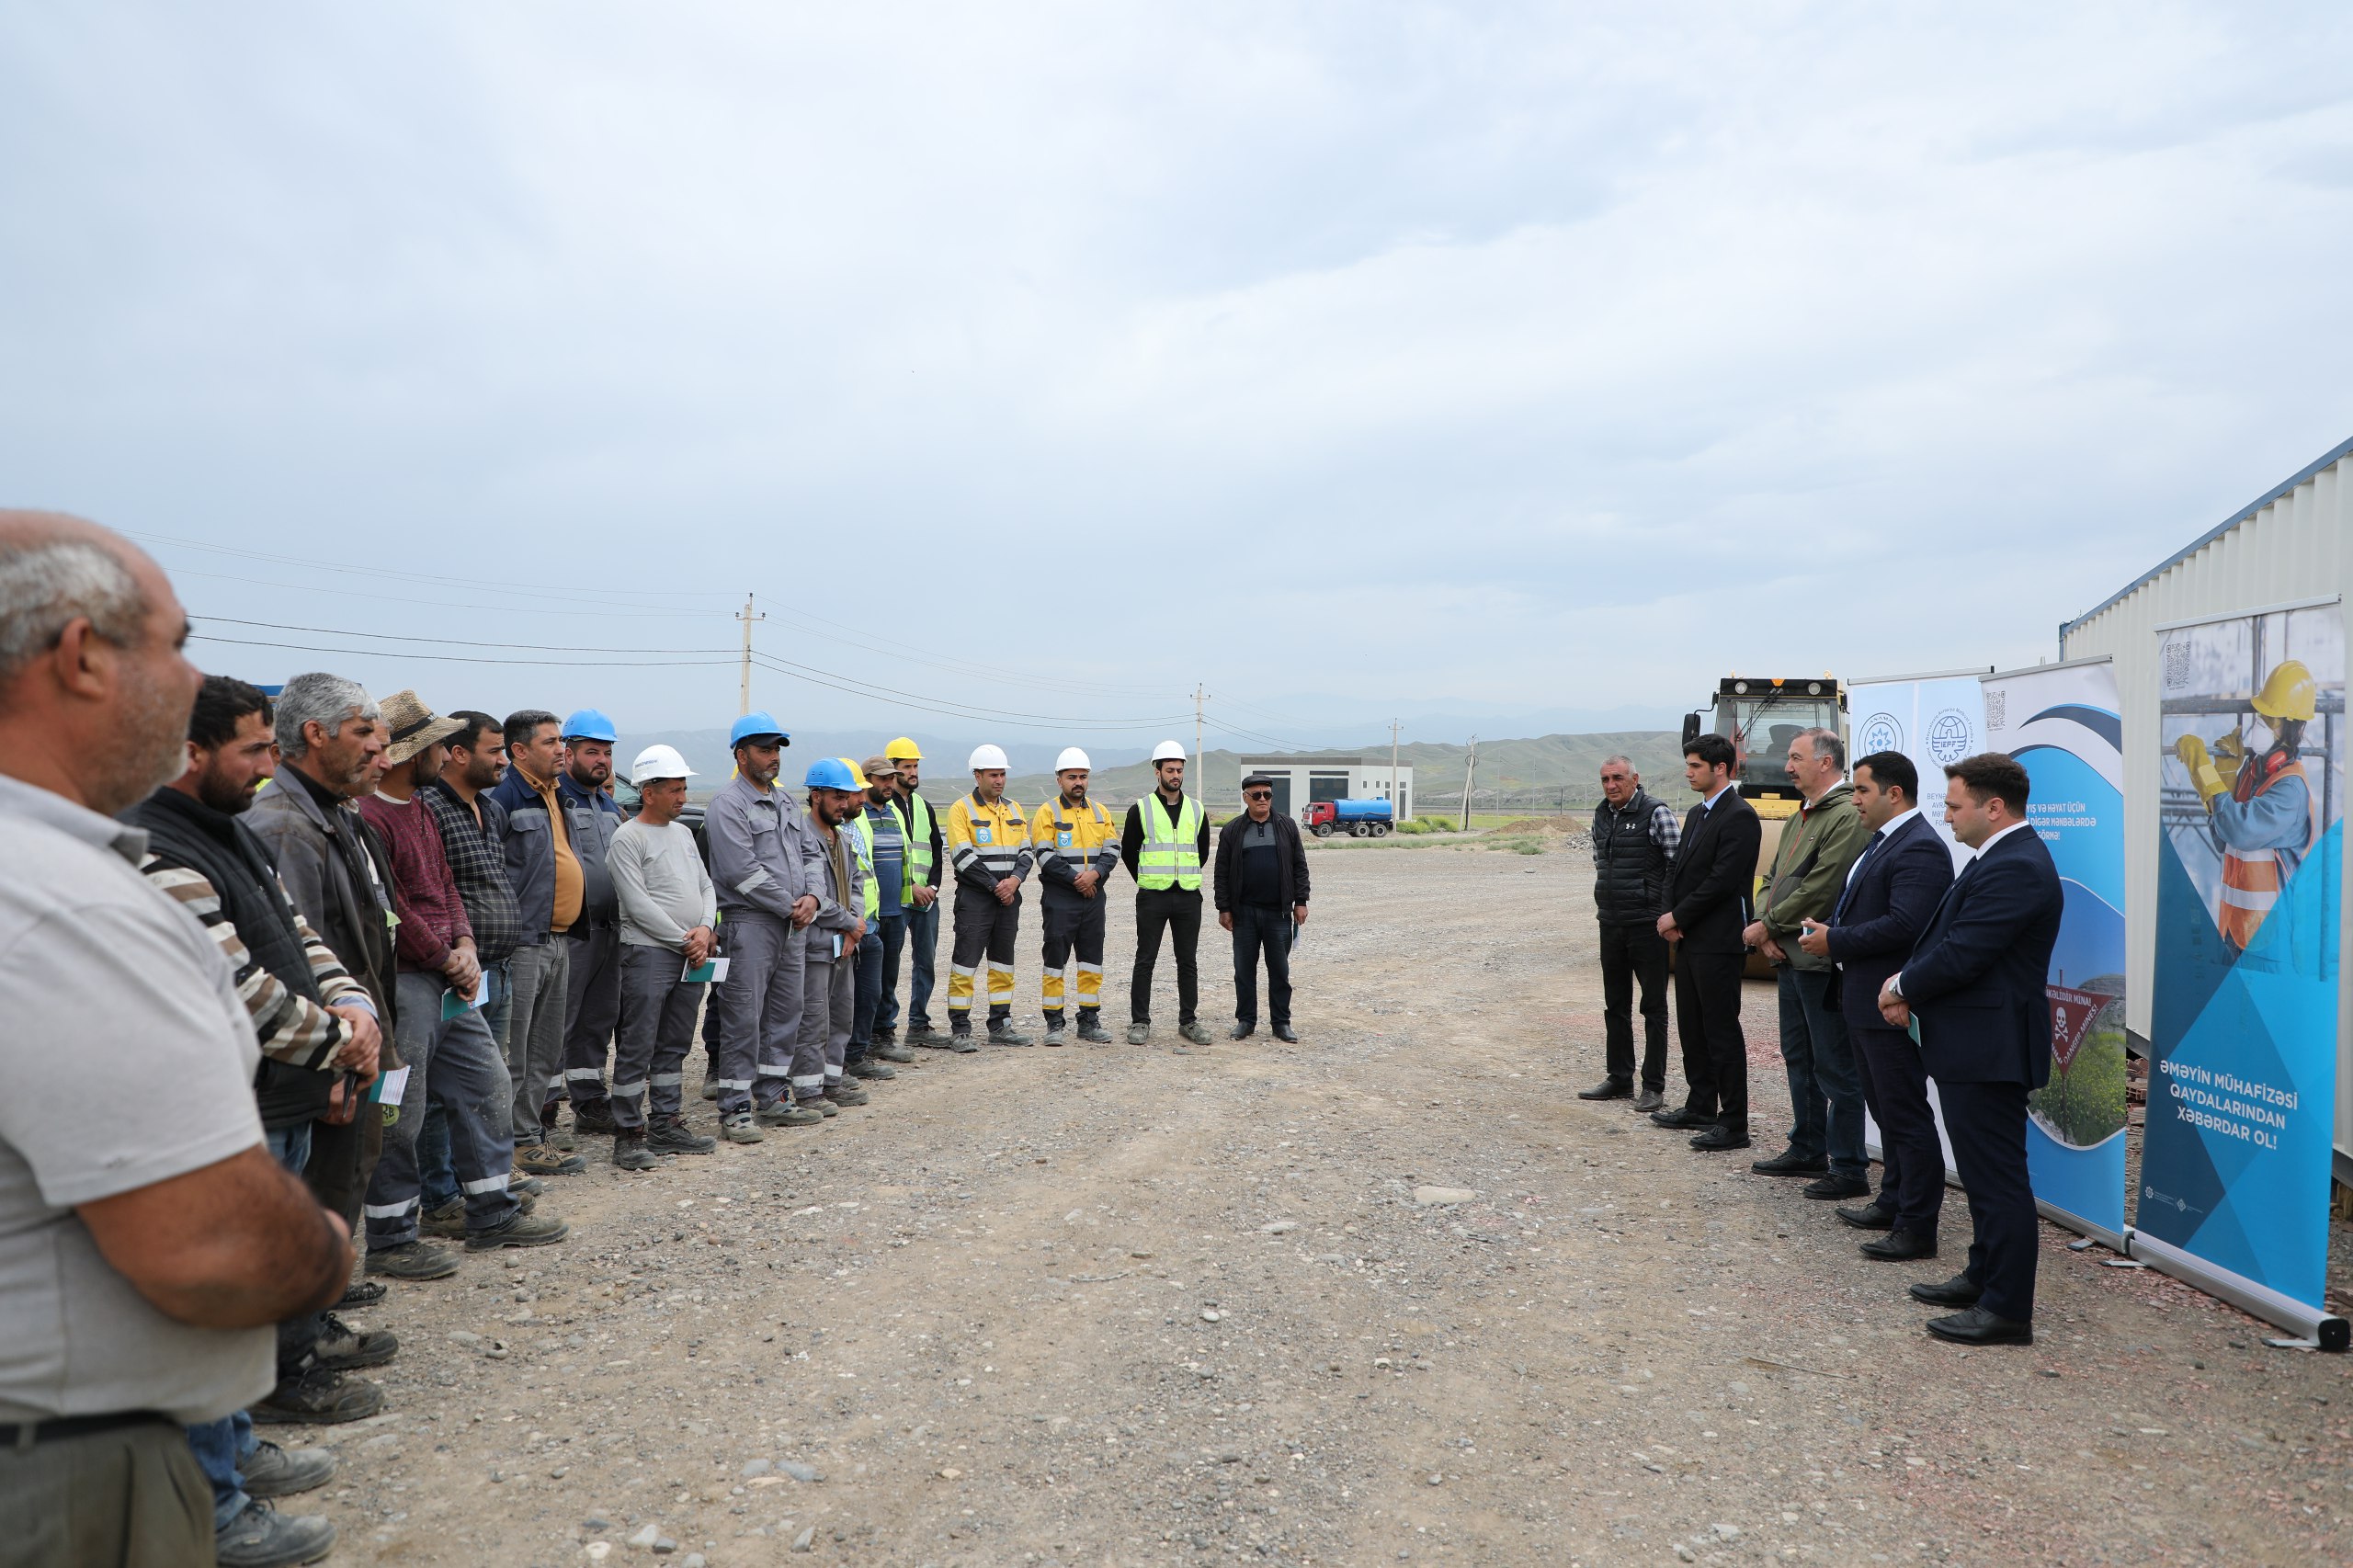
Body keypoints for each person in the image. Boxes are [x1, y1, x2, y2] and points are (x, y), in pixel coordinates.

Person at [0, 512, 354, 1567]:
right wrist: (325, 1247)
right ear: (82, 656)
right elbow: (211, 1248)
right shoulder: (60, 903)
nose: (189, 678)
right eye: (176, 643)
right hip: (59, 1474)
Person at [126, 677, 391, 1564]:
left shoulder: (229, 827)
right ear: (189, 753)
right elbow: (234, 986)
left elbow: (300, 936)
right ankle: (212, 1507)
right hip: (228, 1106)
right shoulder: (154, 846)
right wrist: (342, 1043)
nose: (270, 764)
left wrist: (353, 1005)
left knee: (245, 1302)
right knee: (215, 1309)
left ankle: (235, 1452)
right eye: (253, 749)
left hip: (282, 1093)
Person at [354, 691, 568, 1272]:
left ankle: (491, 1212)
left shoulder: (419, 809)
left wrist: (465, 944)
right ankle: (392, 1238)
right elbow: (392, 906)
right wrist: (446, 956)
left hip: (450, 978)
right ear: (413, 753)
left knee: (487, 1084)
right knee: (403, 1111)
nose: (443, 753)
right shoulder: (370, 818)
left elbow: (445, 888)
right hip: (407, 982)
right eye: (434, 745)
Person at [1879, 753, 2063, 1346]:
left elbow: (1965, 952)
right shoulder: (1997, 858)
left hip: (1990, 1048)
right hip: (1974, 1044)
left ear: (1994, 806)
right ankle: (1983, 1276)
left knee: (1997, 1179)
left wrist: (1901, 985)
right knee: (1984, 1177)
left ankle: (2006, 1310)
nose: (1948, 816)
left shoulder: (2018, 866)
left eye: (1956, 806)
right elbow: (1953, 939)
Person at [247, 674, 402, 1267]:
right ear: (316, 734)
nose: (377, 751)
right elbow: (292, 957)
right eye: (362, 733)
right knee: (319, 1187)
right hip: (325, 1055)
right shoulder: (286, 825)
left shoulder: (334, 813)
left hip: (352, 1040)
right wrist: (330, 1062)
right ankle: (310, 1309)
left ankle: (322, 1293)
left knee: (348, 1171)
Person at [418, 710, 580, 1235]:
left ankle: (485, 1182)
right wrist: (457, 949)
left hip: (499, 961)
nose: (502, 760)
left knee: (489, 1078)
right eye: (494, 751)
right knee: (449, 1089)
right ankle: (443, 1196)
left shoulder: (487, 807)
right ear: (458, 753)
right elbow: (439, 892)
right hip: (460, 971)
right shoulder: (432, 809)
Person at [1798, 749, 1953, 1261]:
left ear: (1895, 793)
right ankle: (1893, 1202)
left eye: (1862, 790)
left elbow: (1906, 925)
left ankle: (1917, 1226)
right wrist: (1833, 933)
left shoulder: (1920, 847)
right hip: (1863, 1001)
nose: (1855, 799)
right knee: (1885, 1113)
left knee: (1905, 1115)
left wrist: (1835, 941)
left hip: (1891, 1004)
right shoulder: (1882, 841)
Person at [1743, 729, 1870, 1197]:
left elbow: (1823, 886)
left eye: (1796, 758)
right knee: (1798, 1057)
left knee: (1834, 1066)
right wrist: (1768, 926)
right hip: (1789, 957)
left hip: (1819, 962)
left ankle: (1849, 1167)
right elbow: (1770, 878)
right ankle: (1808, 1147)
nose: (1787, 767)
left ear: (1826, 762)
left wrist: (1768, 927)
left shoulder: (1845, 816)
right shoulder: (1800, 816)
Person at [705, 712, 818, 1142]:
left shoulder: (786, 801)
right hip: (750, 923)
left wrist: (813, 898)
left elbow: (811, 855)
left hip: (792, 924)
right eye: (764, 749)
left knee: (785, 1013)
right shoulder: (728, 804)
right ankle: (735, 1108)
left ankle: (773, 1097)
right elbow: (740, 870)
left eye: (776, 750)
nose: (773, 757)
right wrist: (791, 905)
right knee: (743, 1017)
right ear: (741, 754)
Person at [606, 745, 721, 1170]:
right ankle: (628, 1133)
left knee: (674, 1043)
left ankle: (666, 1122)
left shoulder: (684, 834)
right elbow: (636, 904)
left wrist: (705, 929)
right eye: (674, 790)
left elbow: (706, 886)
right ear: (648, 792)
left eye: (684, 789)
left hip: (690, 955)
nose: (683, 798)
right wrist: (686, 941)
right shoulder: (628, 838)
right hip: (649, 953)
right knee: (638, 1043)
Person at [485, 709, 585, 1175]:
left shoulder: (557, 794)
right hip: (523, 944)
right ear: (519, 751)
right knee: (516, 1050)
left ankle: (528, 1137)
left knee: (545, 1049)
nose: (561, 749)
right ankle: (505, 1146)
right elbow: (492, 874)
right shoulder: (503, 799)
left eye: (561, 740)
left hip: (559, 938)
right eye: (551, 742)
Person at [1652, 733, 1762, 1152]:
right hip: (1689, 939)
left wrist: (1678, 916)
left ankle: (1733, 1123)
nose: (1688, 772)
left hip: (1719, 941)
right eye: (1688, 765)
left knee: (1720, 1031)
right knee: (1692, 1027)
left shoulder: (1740, 816)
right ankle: (1700, 1105)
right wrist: (1669, 916)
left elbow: (1722, 881)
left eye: (1695, 766)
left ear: (1721, 768)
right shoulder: (1698, 813)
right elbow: (1676, 869)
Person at [2176, 658, 2320, 953]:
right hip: (2235, 931)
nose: (2260, 723)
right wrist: (2228, 779)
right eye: (2260, 714)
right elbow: (2222, 839)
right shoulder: (2251, 773)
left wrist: (2203, 770)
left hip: (2271, 944)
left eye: (2270, 718)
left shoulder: (2291, 790)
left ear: (2292, 727)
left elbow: (2239, 830)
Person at [1581, 754, 1679, 1109]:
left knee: (1653, 1007)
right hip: (1610, 922)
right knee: (1615, 1005)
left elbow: (1677, 865)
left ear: (1635, 779)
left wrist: (1668, 913)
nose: (1611, 786)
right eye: (1605, 779)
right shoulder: (1601, 814)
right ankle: (1620, 1078)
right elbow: (1599, 861)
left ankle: (1653, 1085)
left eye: (1618, 778)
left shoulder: (1656, 813)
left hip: (1647, 925)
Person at [548, 710, 627, 1145]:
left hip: (610, 930)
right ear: (568, 753)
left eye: (607, 753)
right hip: (572, 932)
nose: (602, 760)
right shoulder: (556, 800)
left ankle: (590, 1102)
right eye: (592, 751)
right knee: (556, 1022)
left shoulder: (609, 806)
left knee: (598, 1020)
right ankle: (542, 1115)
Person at [1121, 740, 1214, 1051]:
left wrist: (1182, 876)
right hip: (1153, 896)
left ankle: (1189, 1021)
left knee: (1187, 961)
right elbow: (1128, 851)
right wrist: (1147, 879)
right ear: (1157, 771)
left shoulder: (1197, 810)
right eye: (1170, 770)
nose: (1176, 775)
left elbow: (1201, 852)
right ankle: (1140, 1021)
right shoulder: (1141, 809)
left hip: (1188, 895)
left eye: (1180, 770)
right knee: (1145, 959)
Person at [944, 744, 1033, 1046]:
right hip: (976, 899)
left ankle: (1000, 1025)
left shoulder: (1014, 809)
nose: (999, 780)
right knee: (965, 964)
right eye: (993, 775)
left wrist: (1015, 881)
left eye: (1002, 774)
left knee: (1003, 964)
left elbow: (1026, 851)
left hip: (1009, 899)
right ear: (977, 775)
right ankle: (960, 1029)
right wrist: (997, 886)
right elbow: (962, 856)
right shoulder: (961, 809)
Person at [1029, 747, 1120, 1046]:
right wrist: (1077, 880)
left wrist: (1095, 875)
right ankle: (1054, 1022)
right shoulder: (1047, 812)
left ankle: (1089, 1020)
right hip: (1060, 898)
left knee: (1091, 961)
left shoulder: (1100, 812)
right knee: (1055, 960)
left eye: (1082, 776)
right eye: (1072, 777)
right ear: (1059, 780)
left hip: (1094, 897)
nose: (1078, 782)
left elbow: (1112, 849)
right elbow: (1044, 854)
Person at [798, 757, 873, 1110]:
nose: (844, 804)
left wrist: (854, 926)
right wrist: (849, 923)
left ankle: (831, 1081)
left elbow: (856, 883)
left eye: (846, 797)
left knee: (841, 1016)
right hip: (815, 944)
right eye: (837, 797)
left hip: (844, 943)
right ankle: (808, 1091)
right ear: (816, 796)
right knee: (813, 1018)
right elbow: (811, 895)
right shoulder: (801, 838)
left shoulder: (840, 838)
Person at [1213, 773, 1310, 1042]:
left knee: (1279, 971)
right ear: (1246, 798)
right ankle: (1246, 1021)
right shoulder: (1232, 830)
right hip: (1243, 913)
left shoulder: (1287, 826)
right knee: (1244, 971)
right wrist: (1224, 908)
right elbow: (1221, 873)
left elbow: (1299, 866)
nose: (1262, 799)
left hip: (1278, 913)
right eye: (1256, 795)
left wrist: (1301, 901)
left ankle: (1281, 1023)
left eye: (1267, 794)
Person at [847, 756, 915, 1075]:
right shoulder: (858, 815)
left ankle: (883, 1035)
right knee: (864, 985)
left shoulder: (895, 812)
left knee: (887, 978)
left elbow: (905, 857)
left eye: (892, 778)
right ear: (867, 781)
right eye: (883, 779)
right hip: (868, 914)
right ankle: (857, 1045)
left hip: (895, 909)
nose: (889, 784)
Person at [881, 737, 946, 1047]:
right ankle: (884, 1029)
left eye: (916, 766)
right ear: (892, 770)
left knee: (926, 963)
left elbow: (935, 849)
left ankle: (918, 1025)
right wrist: (912, 887)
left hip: (926, 901)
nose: (913, 772)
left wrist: (932, 887)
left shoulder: (923, 806)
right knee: (888, 966)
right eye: (907, 766)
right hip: (897, 899)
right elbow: (888, 857)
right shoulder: (881, 808)